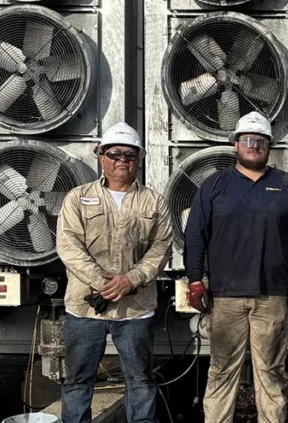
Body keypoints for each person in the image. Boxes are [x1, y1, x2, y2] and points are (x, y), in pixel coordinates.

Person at [183, 111, 288, 423]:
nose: (254, 145)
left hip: (272, 298)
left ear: (269, 147)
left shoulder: (287, 186)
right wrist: (194, 280)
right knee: (222, 371)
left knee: (270, 374)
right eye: (247, 140)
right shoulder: (215, 185)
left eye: (260, 141)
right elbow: (195, 234)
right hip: (225, 298)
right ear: (236, 145)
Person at [57, 122, 174, 423]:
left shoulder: (154, 202)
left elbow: (161, 249)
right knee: (78, 382)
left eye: (130, 155)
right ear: (100, 156)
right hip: (85, 308)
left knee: (142, 381)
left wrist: (130, 280)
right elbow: (68, 246)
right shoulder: (77, 198)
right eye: (115, 153)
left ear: (139, 160)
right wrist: (102, 283)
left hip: (135, 311)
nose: (122, 160)